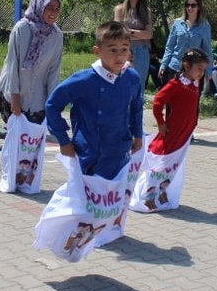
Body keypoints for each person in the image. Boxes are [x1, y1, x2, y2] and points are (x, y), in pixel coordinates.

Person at [45, 21, 144, 180]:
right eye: (112, 50)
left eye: (124, 49)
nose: (119, 56)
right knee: (86, 195)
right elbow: (52, 105)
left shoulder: (131, 77)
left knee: (115, 194)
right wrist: (63, 140)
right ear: (97, 51)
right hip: (89, 155)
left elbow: (136, 106)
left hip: (120, 151)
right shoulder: (84, 80)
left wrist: (137, 135)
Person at [0, 0, 64, 125]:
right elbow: (12, 65)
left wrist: (52, 103)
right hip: (13, 95)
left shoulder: (56, 35)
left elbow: (54, 71)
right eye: (50, 7)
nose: (54, 12)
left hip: (37, 100)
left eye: (57, 9)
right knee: (15, 136)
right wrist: (15, 96)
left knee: (34, 138)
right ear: (39, 7)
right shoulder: (22, 28)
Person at [151, 48, 209, 155]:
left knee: (177, 156)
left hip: (187, 129)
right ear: (186, 65)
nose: (202, 72)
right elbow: (157, 101)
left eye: (204, 69)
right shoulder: (175, 84)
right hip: (175, 128)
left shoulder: (195, 83)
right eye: (199, 68)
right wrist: (161, 123)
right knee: (165, 153)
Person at [159, 0, 212, 92]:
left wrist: (208, 70)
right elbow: (170, 46)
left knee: (191, 100)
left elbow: (207, 50)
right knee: (171, 99)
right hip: (175, 67)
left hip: (194, 70)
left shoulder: (204, 25)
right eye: (187, 5)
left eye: (193, 5)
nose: (190, 8)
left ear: (199, 7)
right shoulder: (177, 23)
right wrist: (163, 65)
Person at [114, 0, 154, 92]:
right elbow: (118, 32)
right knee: (122, 81)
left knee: (139, 83)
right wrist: (140, 34)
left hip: (142, 50)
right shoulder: (119, 9)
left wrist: (129, 32)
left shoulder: (146, 11)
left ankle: (137, 103)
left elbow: (149, 34)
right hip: (123, 49)